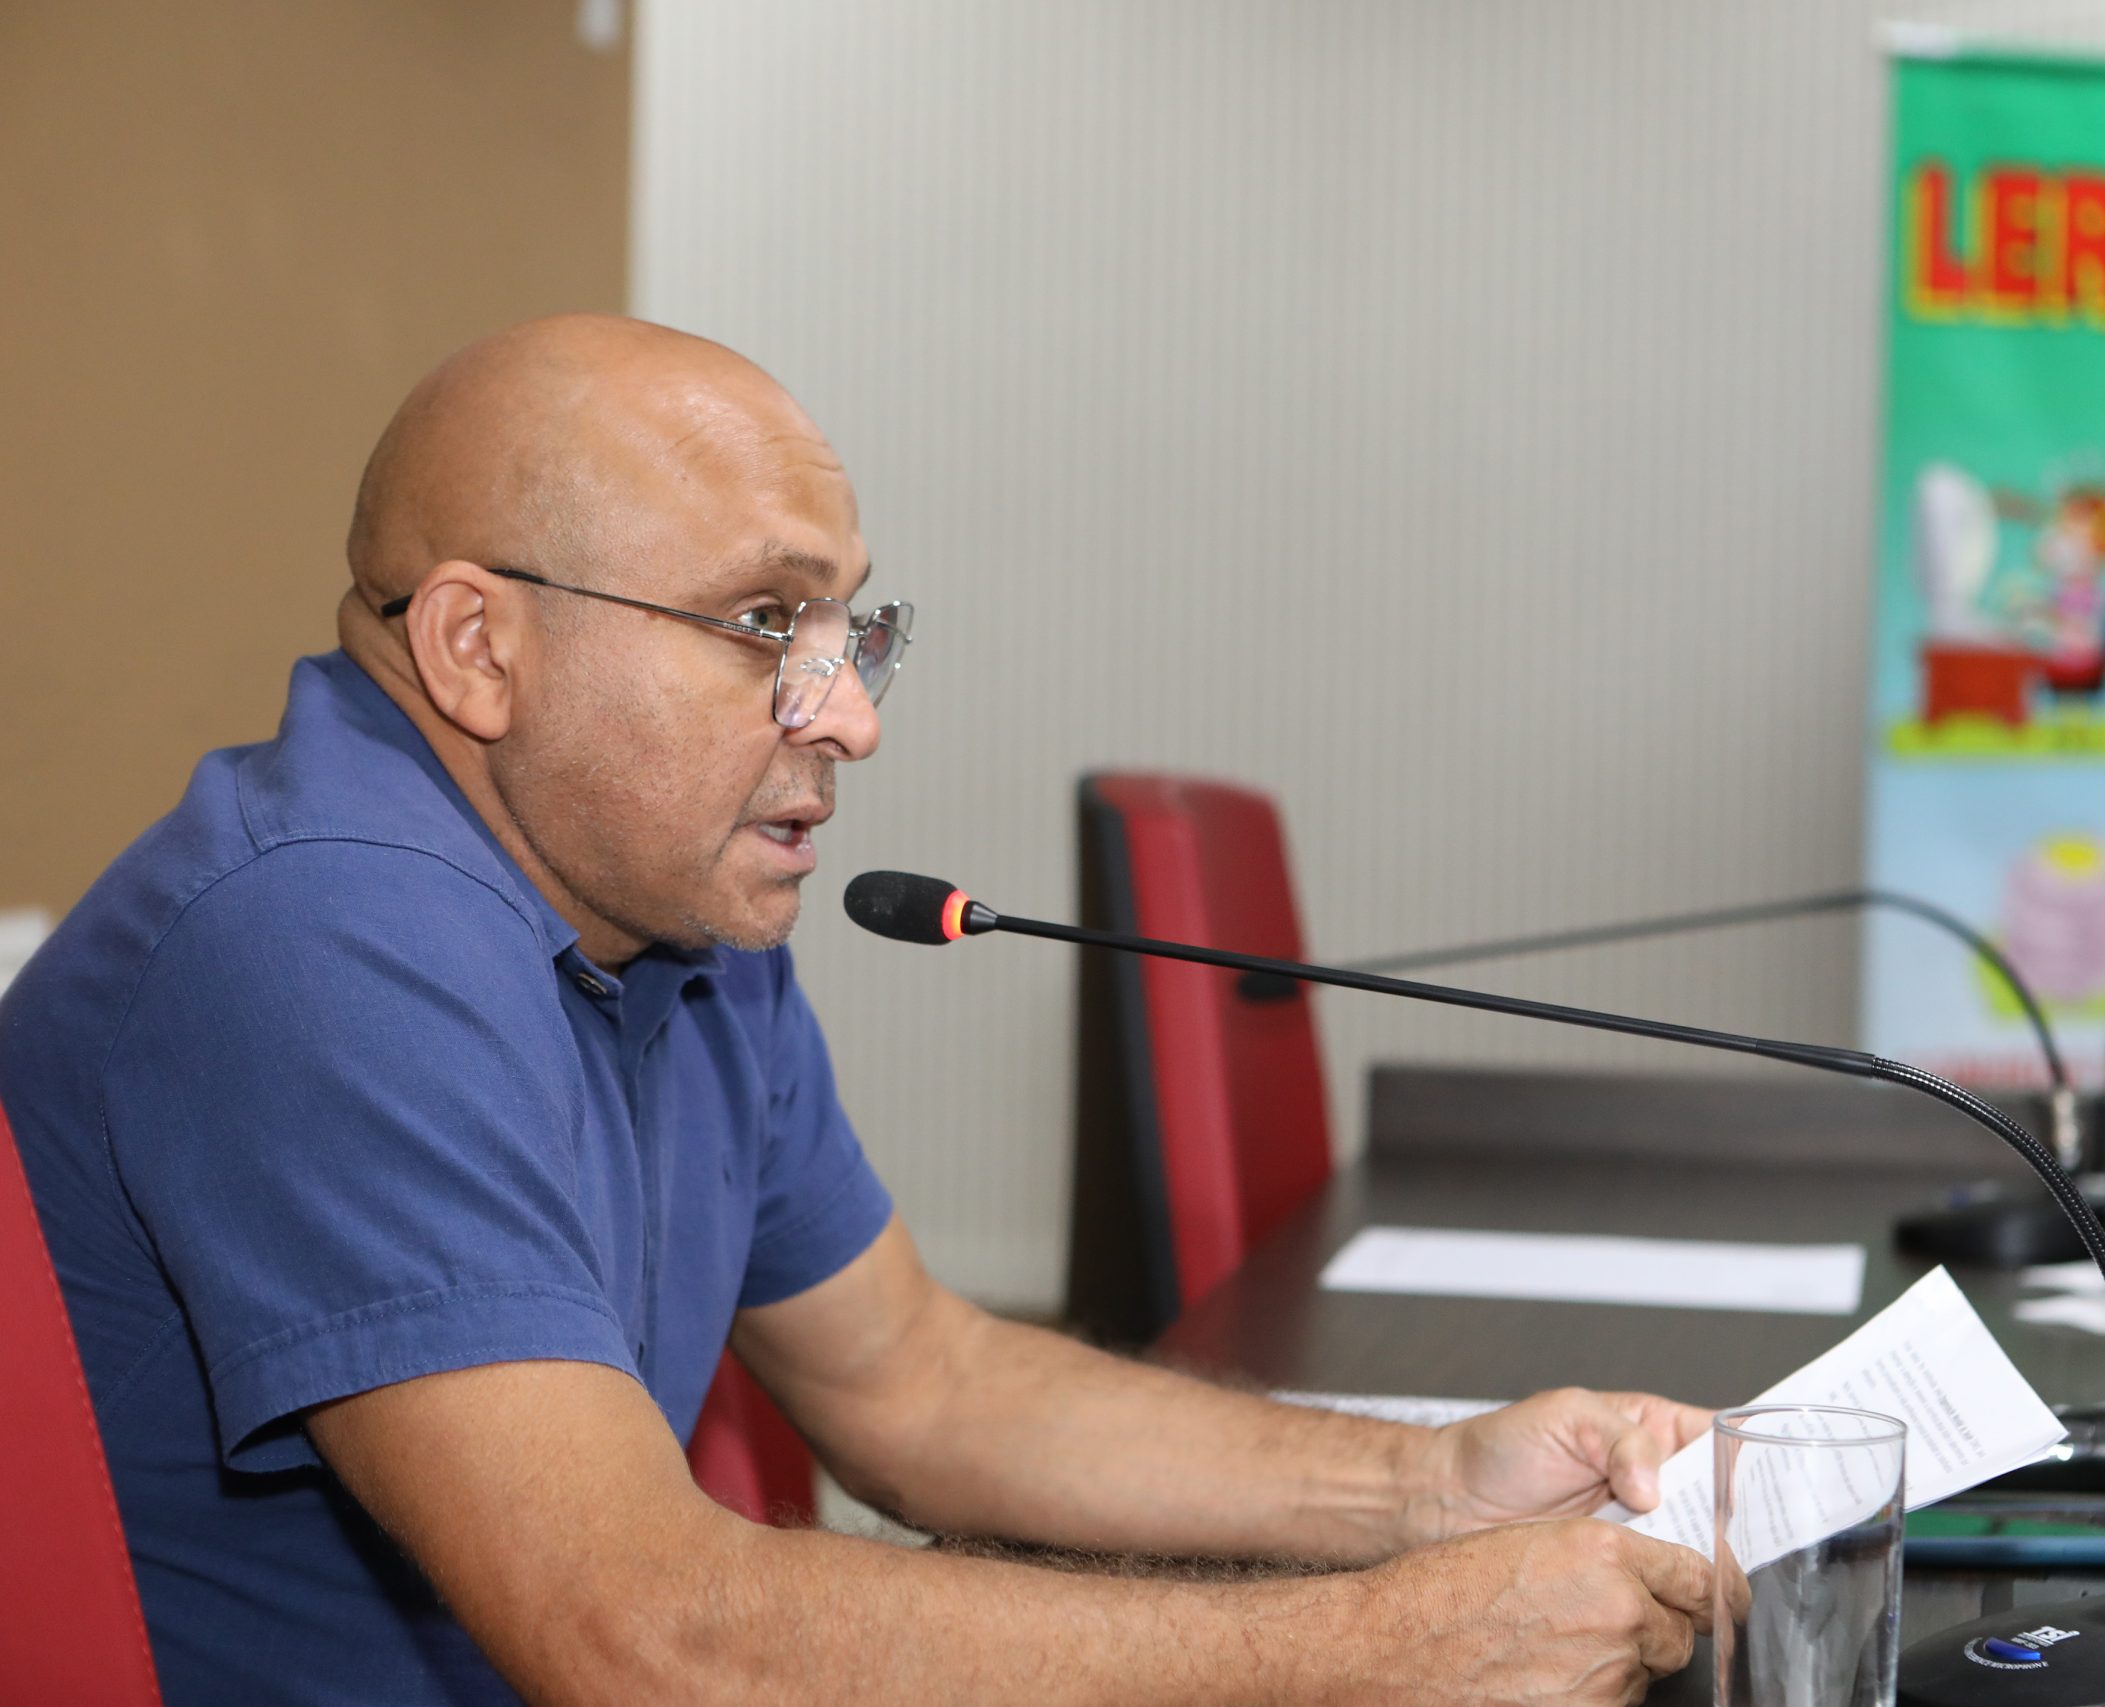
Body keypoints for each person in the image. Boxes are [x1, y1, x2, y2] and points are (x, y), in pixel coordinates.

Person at [0, 315, 1717, 1705]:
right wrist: (1391, 1650)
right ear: (476, 648)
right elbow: (649, 1637)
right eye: (765, 624)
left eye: (850, 631)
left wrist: (1426, 1495)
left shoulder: (668, 906)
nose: (849, 721)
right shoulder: (321, 935)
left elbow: (917, 1384)